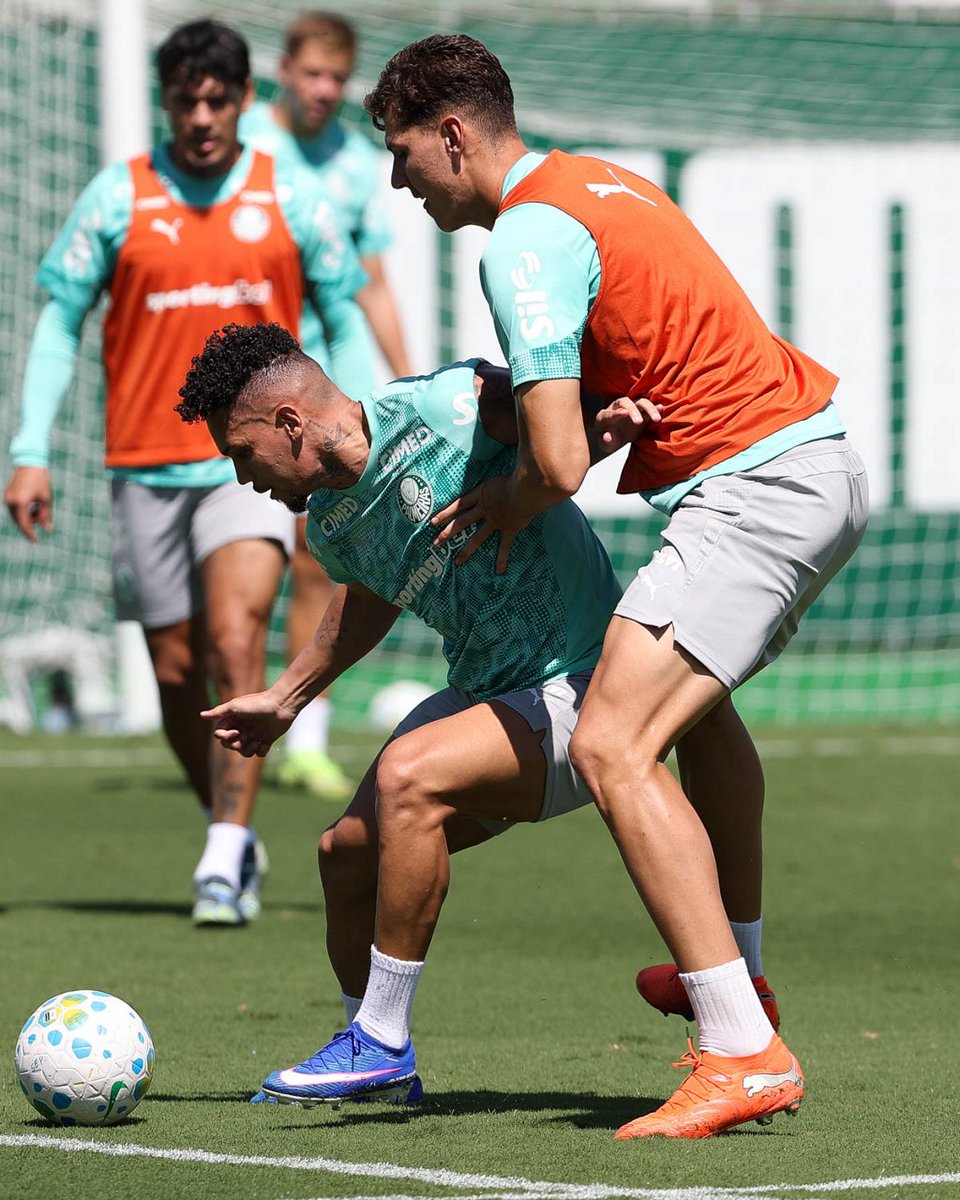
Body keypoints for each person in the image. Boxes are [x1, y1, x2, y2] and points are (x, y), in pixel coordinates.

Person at [364, 34, 869, 1138]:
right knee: (700, 712)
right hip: (811, 463)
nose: (398, 180)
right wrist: (595, 420)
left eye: (403, 153)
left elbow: (548, 467)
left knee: (608, 742)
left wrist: (498, 507)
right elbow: (611, 385)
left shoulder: (525, 239)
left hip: (759, 487)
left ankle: (740, 1047)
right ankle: (739, 977)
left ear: (453, 133)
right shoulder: (595, 180)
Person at [175, 320, 631, 1106]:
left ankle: (380, 1039)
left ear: (290, 424)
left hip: (589, 690)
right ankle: (378, 1071)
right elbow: (372, 595)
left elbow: (566, 420)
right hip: (494, 696)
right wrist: (286, 700)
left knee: (408, 775)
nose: (244, 479)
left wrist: (607, 426)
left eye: (242, 454)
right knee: (344, 854)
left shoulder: (448, 406)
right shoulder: (329, 527)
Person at [3, 19, 374, 928]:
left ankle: (217, 861)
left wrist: (361, 420)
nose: (203, 116)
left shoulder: (289, 198)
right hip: (141, 464)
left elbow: (343, 307)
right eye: (186, 100)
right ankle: (232, 827)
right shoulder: (117, 198)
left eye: (219, 99)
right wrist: (28, 449)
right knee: (175, 676)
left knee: (234, 639)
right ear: (167, 102)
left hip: (242, 472)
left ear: (245, 100)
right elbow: (59, 320)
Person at [240, 11, 413, 802]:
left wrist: (403, 376)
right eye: (312, 74)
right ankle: (233, 714)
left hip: (321, 388)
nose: (324, 91)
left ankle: (305, 738)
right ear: (283, 69)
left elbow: (369, 280)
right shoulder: (242, 143)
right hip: (243, 397)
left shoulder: (351, 161)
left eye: (338, 80)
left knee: (323, 551)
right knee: (234, 585)